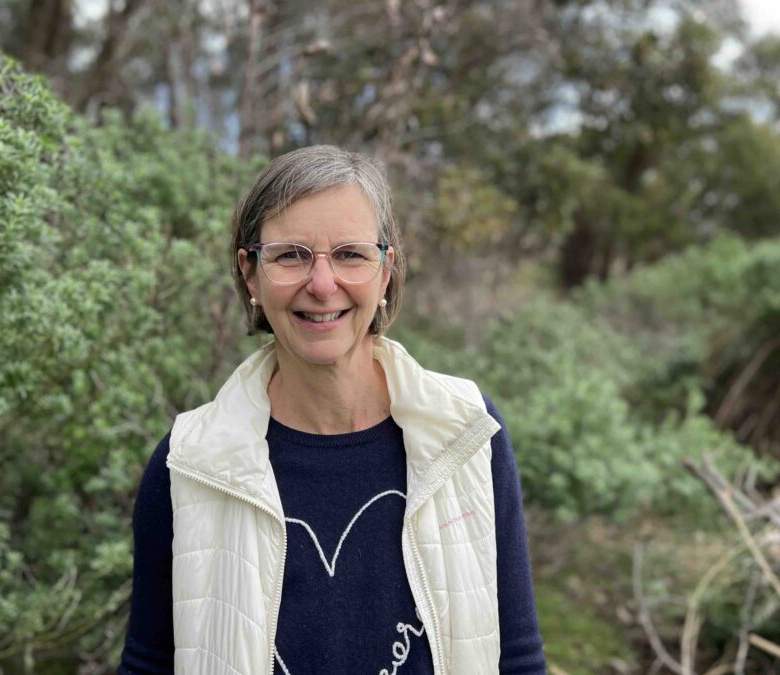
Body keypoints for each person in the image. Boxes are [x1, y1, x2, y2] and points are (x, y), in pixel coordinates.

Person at [118, 145, 546, 674]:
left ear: (386, 272)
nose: (322, 285)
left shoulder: (467, 433)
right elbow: (149, 663)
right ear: (250, 275)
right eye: (290, 255)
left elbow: (518, 656)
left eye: (350, 254)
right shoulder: (189, 462)